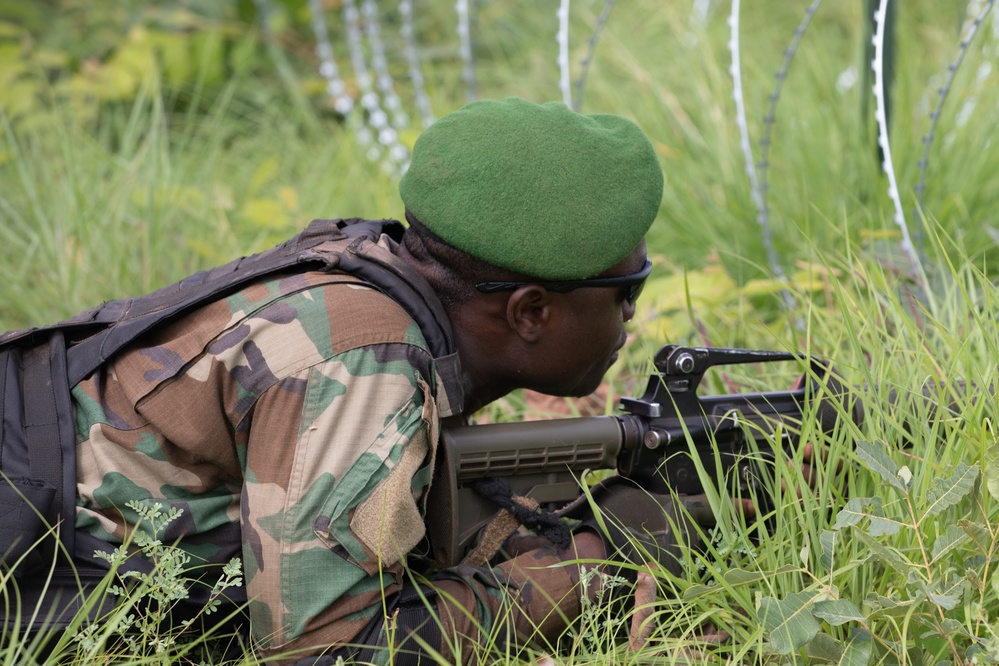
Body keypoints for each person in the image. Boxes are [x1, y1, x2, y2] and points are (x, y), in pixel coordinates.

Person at [62, 97, 675, 663]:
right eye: (629, 289)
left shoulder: (378, 276)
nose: (630, 314)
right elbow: (327, 650)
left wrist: (556, 529)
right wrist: (599, 564)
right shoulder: (359, 362)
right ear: (531, 312)